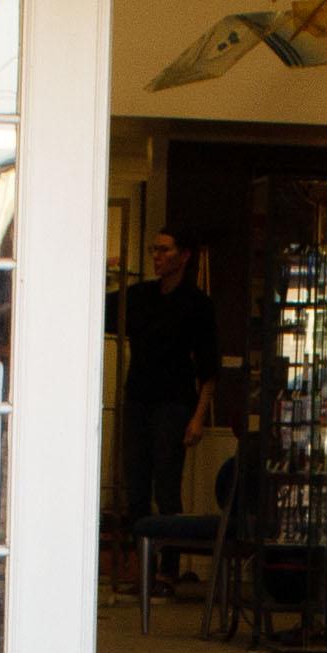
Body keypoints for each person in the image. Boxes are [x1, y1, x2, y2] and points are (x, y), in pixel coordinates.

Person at [119, 230, 219, 559]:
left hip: (174, 403)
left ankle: (168, 565)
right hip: (138, 399)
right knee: (135, 486)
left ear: (184, 255)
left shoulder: (197, 304)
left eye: (164, 250)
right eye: (154, 250)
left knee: (166, 483)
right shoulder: (141, 296)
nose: (157, 256)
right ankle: (143, 563)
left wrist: (198, 417)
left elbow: (208, 367)